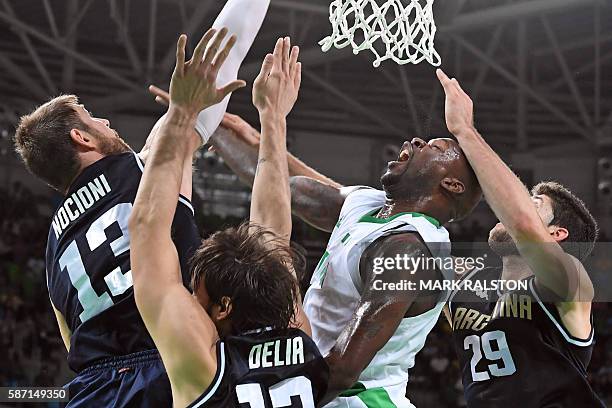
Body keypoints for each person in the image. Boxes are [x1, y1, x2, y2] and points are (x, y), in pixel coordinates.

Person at [13, 0, 270, 403]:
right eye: (92, 117)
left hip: (91, 389)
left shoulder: (53, 246)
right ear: (82, 138)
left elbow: (71, 341)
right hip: (166, 361)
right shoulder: (144, 167)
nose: (106, 122)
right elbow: (217, 60)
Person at [201, 104, 482, 406]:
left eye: (433, 147)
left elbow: (343, 369)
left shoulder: (409, 250)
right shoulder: (369, 206)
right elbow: (279, 188)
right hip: (315, 386)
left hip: (355, 399)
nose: (416, 142)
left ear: (451, 184)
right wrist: (203, 126)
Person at [129, 34, 328, 408]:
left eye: (196, 290)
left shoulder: (203, 366)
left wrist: (182, 115)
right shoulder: (300, 338)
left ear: (223, 308)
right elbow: (273, 233)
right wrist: (273, 118)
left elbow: (146, 228)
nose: (190, 296)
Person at [436, 68, 605, 407]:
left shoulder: (571, 283)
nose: (510, 209)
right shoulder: (468, 282)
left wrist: (465, 131)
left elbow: (524, 226)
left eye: (533, 203)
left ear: (557, 234)